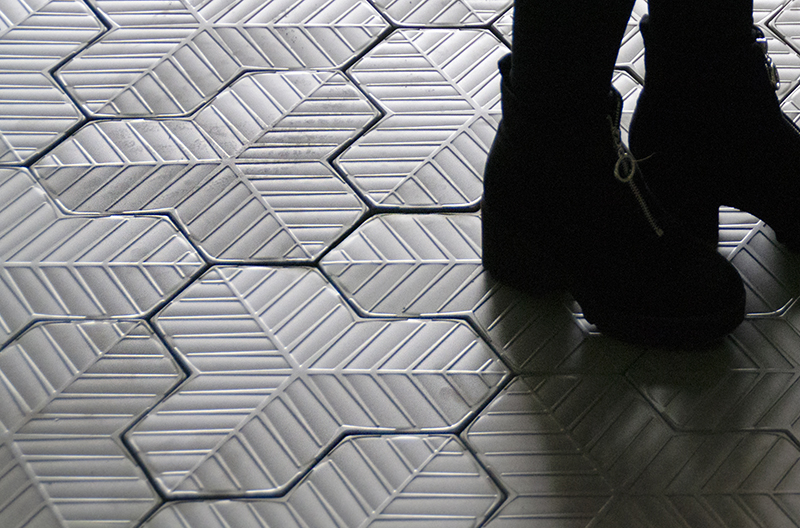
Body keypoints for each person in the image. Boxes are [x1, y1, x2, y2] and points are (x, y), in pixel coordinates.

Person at [482, 0, 798, 346]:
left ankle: (701, 109)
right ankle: (546, 172)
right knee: (562, 111)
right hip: (555, 176)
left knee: (707, 54)